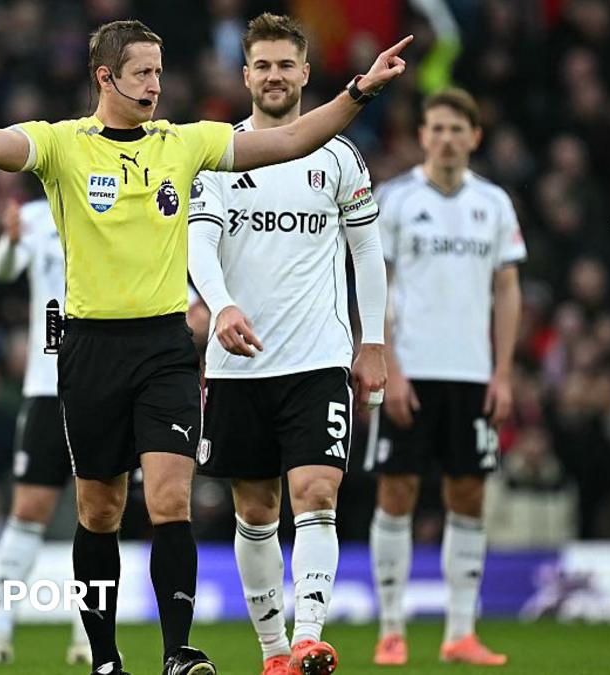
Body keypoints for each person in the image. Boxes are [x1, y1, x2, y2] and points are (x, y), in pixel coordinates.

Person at [0, 20, 411, 675]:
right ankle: (104, 658)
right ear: (106, 77)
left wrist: (360, 92)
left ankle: (179, 652)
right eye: (144, 72)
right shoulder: (61, 144)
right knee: (100, 509)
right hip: (91, 348)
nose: (157, 83)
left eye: (159, 70)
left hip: (165, 346)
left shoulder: (184, 144)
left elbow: (293, 136)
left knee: (171, 498)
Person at [186, 13, 387, 675]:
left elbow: (367, 251)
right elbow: (200, 245)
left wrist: (373, 339)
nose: (274, 76)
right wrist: (222, 307)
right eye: (262, 65)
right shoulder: (218, 153)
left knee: (317, 493)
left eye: (285, 64)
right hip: (239, 363)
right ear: (245, 76)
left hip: (318, 360)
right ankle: (274, 653)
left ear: (306, 72)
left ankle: (307, 637)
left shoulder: (337, 157)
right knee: (256, 507)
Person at [365, 88, 524, 667]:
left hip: (471, 374)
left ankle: (460, 632)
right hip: (411, 370)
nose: (446, 138)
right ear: (422, 135)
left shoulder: (494, 204)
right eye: (436, 128)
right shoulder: (397, 199)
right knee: (398, 490)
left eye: (457, 129)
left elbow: (506, 290)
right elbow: (373, 285)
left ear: (474, 137)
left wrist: (502, 373)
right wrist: (390, 365)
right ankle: (390, 629)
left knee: (468, 495)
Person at [0, 198, 89, 665]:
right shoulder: (37, 216)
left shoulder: (119, 204)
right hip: (46, 387)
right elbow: (3, 268)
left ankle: (88, 633)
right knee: (29, 509)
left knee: (98, 512)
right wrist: (11, 238)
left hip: (102, 386)